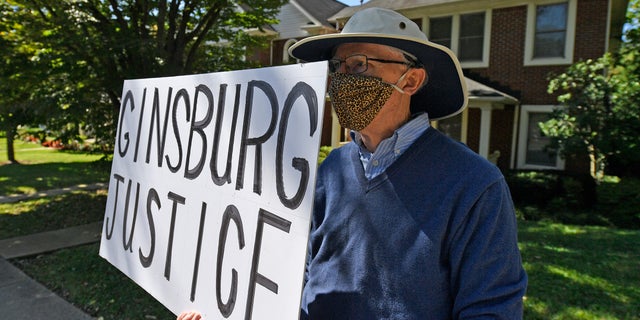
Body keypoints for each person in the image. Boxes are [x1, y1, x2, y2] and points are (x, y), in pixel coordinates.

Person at [179, 7, 527, 320]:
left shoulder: (474, 184)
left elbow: (491, 310)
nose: (342, 79)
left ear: (411, 79)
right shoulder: (330, 170)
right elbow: (294, 276)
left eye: (359, 64)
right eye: (338, 67)